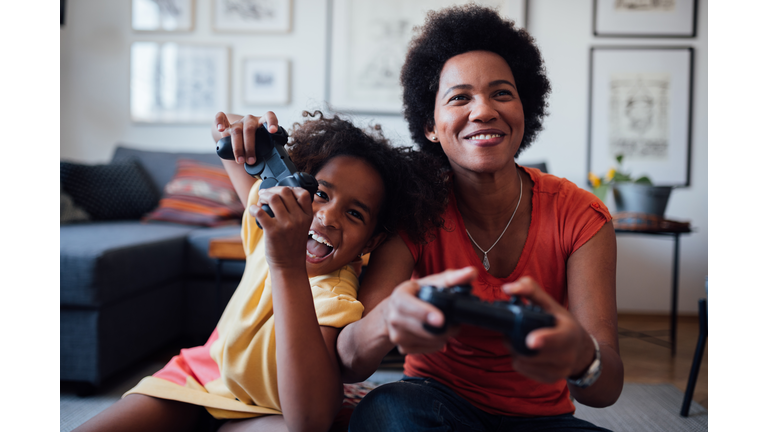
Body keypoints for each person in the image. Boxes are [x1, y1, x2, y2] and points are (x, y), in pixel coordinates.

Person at [332, 5, 625, 431]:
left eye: (502, 93)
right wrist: (386, 318)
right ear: (431, 125)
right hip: (434, 404)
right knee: (385, 408)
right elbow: (352, 362)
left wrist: (583, 357)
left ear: (525, 110)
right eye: (460, 97)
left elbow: (605, 390)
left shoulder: (580, 215)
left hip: (542, 420)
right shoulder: (416, 208)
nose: (484, 110)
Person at [73, 111, 445, 432]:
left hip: (266, 411)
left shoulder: (336, 299)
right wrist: (253, 133)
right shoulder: (269, 221)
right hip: (197, 380)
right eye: (320, 193)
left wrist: (285, 265)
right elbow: (225, 129)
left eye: (354, 214)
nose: (328, 216)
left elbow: (309, 420)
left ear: (368, 244)